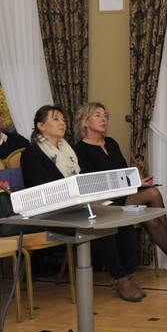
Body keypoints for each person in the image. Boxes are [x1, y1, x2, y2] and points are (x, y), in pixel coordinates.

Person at [21, 104, 144, 303]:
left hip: (78, 205)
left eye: (63, 119)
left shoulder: (67, 150)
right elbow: (46, 190)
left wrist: (95, 198)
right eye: (55, 119)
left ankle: (129, 274)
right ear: (41, 126)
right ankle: (120, 278)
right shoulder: (32, 154)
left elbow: (85, 179)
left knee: (120, 216)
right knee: (99, 222)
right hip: (53, 213)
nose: (62, 123)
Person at [73, 102, 167, 283]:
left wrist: (137, 181)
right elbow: (91, 183)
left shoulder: (111, 143)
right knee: (152, 199)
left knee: (152, 199)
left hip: (123, 194)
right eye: (98, 115)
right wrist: (127, 185)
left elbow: (123, 172)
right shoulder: (79, 150)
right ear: (85, 121)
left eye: (105, 116)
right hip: (106, 201)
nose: (103, 119)